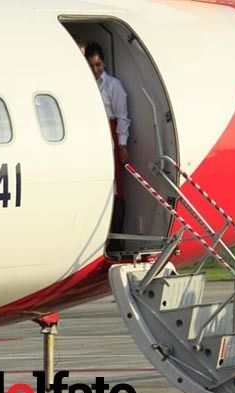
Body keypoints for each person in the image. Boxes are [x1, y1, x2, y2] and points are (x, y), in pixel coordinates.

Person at [84, 42, 130, 251]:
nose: (95, 70)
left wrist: (122, 145)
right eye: (92, 65)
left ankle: (116, 238)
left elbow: (122, 117)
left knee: (116, 189)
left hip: (110, 130)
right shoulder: (84, 84)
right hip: (91, 132)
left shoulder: (113, 86)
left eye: (98, 65)